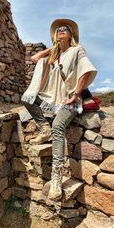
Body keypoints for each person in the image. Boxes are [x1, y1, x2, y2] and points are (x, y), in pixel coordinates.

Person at [21, 19, 97, 201]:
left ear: (71, 35)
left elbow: (86, 71)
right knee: (27, 99)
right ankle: (43, 128)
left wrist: (76, 93)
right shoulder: (54, 56)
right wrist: (54, 46)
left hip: (71, 98)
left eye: (65, 29)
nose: (61, 31)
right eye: (58, 30)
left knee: (58, 125)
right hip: (53, 99)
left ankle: (57, 177)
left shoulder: (77, 50)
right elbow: (34, 59)